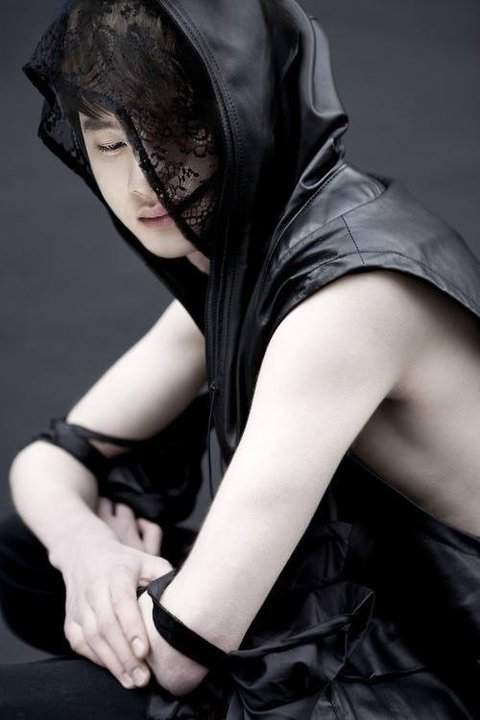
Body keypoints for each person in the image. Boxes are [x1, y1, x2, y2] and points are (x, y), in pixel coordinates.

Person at [1, 0, 479, 718]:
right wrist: (91, 554)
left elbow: (180, 651)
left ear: (244, 111)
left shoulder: (343, 300)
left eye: (175, 132)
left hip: (428, 666)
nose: (142, 181)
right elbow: (50, 458)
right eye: (110, 143)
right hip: (351, 602)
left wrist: (129, 601)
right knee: (31, 549)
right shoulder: (251, 257)